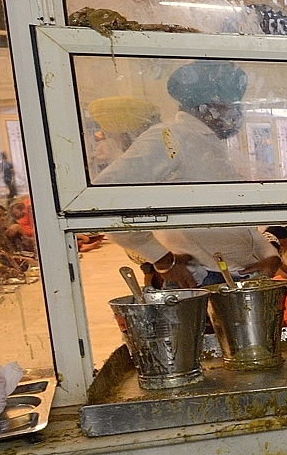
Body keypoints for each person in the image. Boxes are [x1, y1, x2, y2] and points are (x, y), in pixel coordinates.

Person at [95, 60, 276, 287]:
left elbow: (229, 218)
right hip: (201, 280)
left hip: (237, 277)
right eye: (230, 105)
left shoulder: (207, 142)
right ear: (206, 106)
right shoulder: (171, 137)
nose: (237, 113)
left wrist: (269, 254)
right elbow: (103, 198)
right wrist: (162, 259)